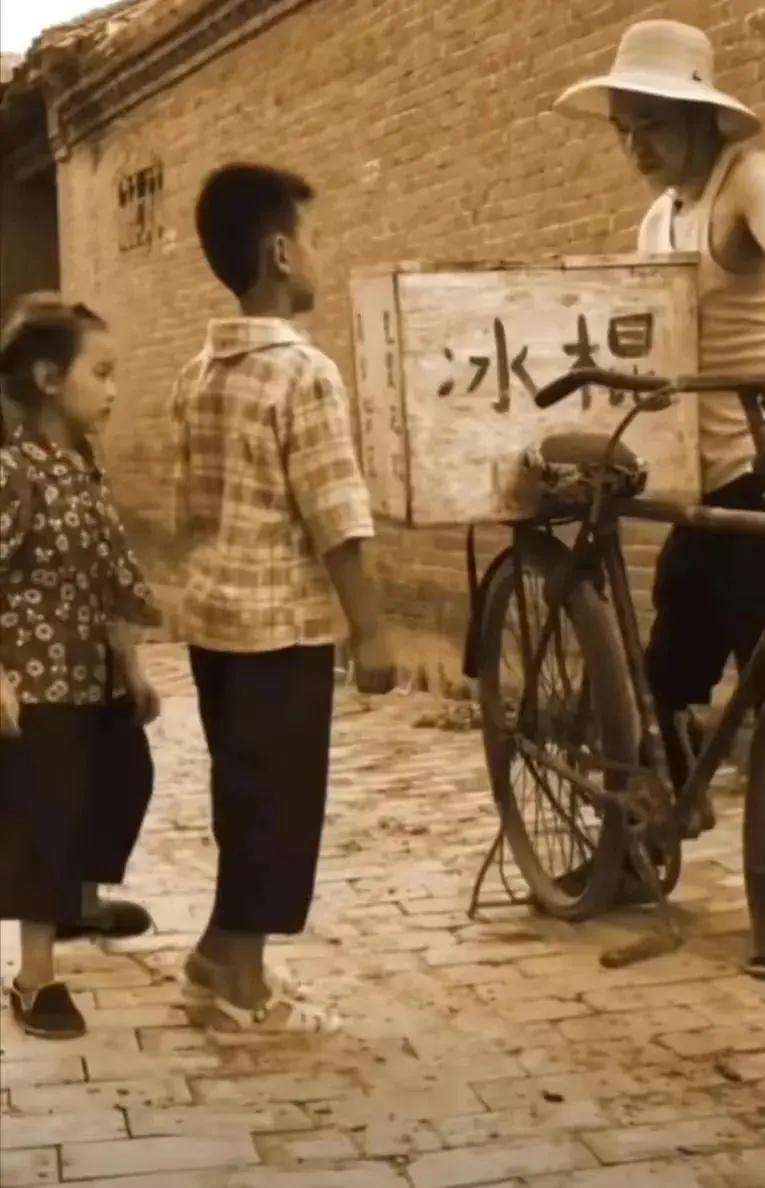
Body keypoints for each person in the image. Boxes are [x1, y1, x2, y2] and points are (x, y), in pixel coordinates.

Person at [554, 20, 765, 979]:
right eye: (623, 128)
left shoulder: (749, 182)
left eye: (653, 124)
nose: (635, 145)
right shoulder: (658, 221)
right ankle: (636, 846)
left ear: (702, 118)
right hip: (707, 475)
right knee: (667, 667)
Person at [171, 163, 381, 1033]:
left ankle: (216, 953)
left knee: (243, 798)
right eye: (313, 238)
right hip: (281, 630)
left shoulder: (197, 373)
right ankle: (244, 987)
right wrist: (371, 631)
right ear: (282, 254)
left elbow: (188, 508)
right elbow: (336, 514)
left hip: (214, 624)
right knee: (282, 807)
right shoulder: (305, 373)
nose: (320, 254)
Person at [0, 294, 160, 1038]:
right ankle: (34, 980)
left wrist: (131, 662)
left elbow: (109, 568)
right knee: (47, 817)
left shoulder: (82, 465)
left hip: (94, 671)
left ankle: (81, 904)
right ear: (47, 379)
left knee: (123, 780)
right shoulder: (15, 473)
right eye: (100, 372)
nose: (113, 390)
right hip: (38, 680)